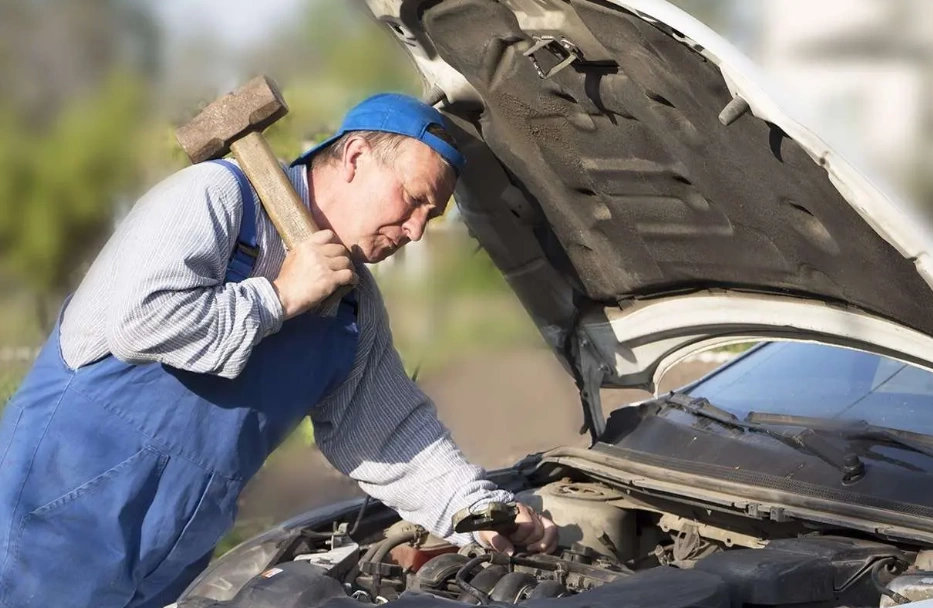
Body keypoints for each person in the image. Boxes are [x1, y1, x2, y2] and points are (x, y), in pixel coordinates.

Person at [0, 93, 556, 608]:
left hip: (166, 555)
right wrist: (279, 295)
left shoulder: (353, 305)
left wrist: (475, 508)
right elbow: (141, 320)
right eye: (413, 200)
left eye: (431, 217)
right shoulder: (216, 198)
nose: (415, 230)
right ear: (357, 156)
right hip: (43, 523)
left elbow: (389, 436)